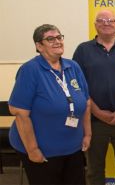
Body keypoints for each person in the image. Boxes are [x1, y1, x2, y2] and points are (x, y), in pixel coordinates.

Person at [8, 24, 91, 185]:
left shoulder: (73, 67)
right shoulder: (30, 70)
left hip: (73, 148)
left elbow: (86, 103)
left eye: (59, 37)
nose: (57, 41)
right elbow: (20, 113)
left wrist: (87, 134)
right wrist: (32, 150)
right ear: (39, 46)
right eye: (50, 39)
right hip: (43, 151)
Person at [73, 9, 115, 185]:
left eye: (110, 20)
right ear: (95, 25)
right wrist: (97, 111)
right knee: (94, 171)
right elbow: (78, 86)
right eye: (101, 20)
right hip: (94, 122)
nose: (106, 23)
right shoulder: (83, 50)